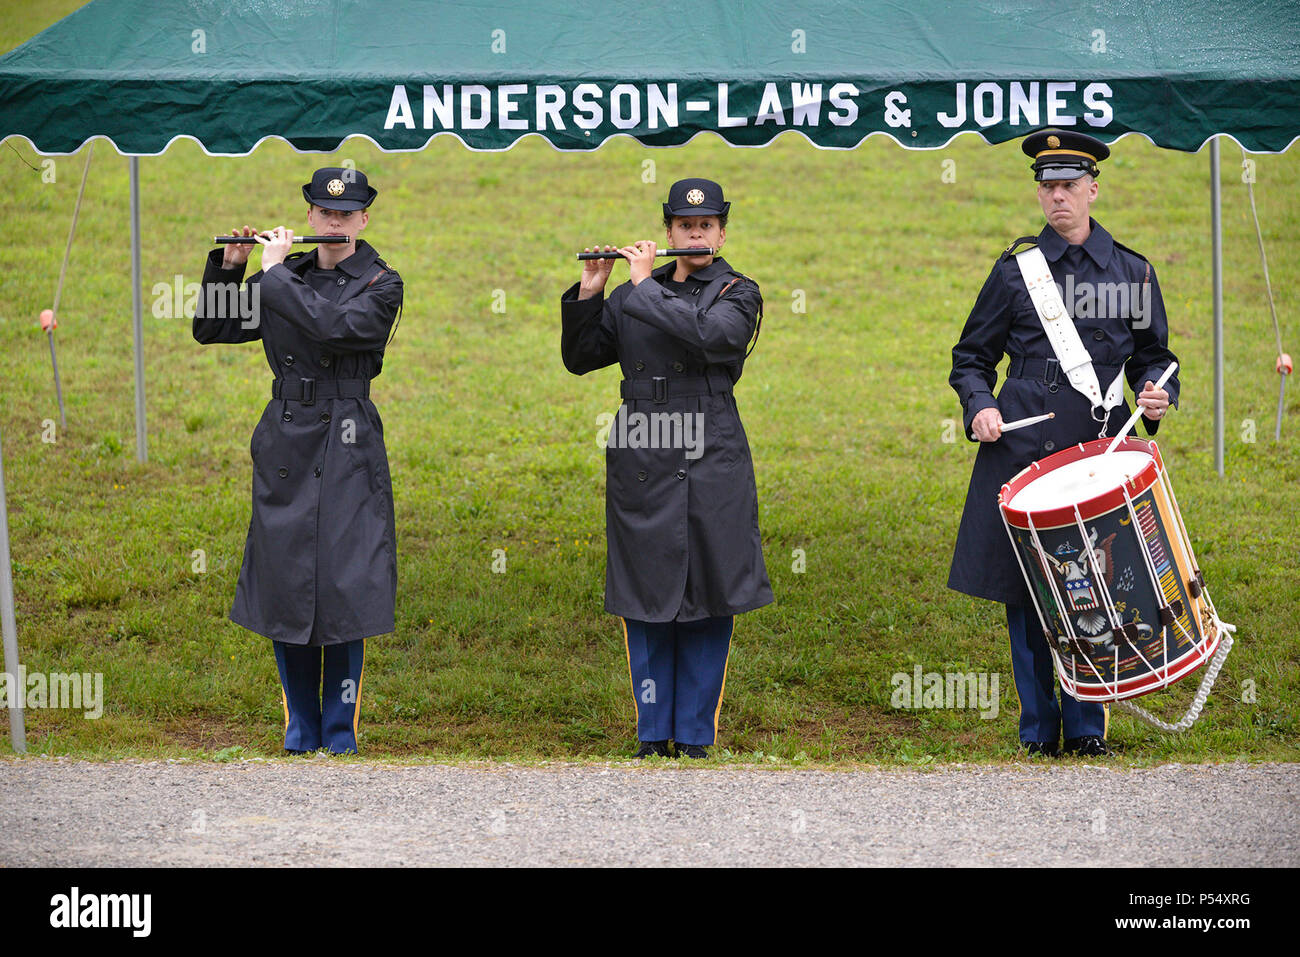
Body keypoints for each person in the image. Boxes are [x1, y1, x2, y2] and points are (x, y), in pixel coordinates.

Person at [948, 130, 1179, 758]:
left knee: (1097, 582)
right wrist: (981, 405)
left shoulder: (1132, 271)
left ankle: (1085, 727)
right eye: (1047, 188)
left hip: (1094, 449)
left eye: (1069, 187)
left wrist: (1156, 395)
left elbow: (1155, 359)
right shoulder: (1015, 270)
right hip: (1020, 449)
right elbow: (971, 358)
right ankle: (1037, 726)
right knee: (1029, 591)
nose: (1057, 199)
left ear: (1092, 189)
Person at [561, 178, 773, 759]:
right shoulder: (636, 290)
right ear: (669, 230)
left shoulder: (738, 291)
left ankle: (696, 734)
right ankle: (653, 732)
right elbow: (581, 359)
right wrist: (590, 293)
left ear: (722, 232)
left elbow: (712, 338)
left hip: (711, 440)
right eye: (684, 226)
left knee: (712, 583)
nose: (695, 234)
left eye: (705, 226)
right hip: (643, 443)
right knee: (646, 586)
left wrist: (638, 287)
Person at [193, 167, 403, 754]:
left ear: (363, 219)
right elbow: (211, 327)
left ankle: (339, 729)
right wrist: (232, 266)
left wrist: (274, 274)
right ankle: (300, 726)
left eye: (346, 214)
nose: (334, 223)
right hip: (286, 438)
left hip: (348, 437)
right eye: (324, 213)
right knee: (286, 580)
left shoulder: (383, 283)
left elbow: (333, 328)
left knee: (346, 579)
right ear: (309, 215)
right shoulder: (282, 274)